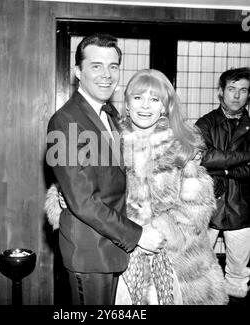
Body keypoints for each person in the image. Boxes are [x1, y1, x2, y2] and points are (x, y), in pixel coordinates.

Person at [47, 68, 229, 305]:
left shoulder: (182, 145)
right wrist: (61, 197)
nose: (145, 106)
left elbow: (197, 212)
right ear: (127, 104)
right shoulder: (110, 138)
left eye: (154, 100)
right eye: (138, 98)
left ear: (165, 107)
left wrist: (153, 233)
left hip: (178, 265)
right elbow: (81, 187)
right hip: (121, 254)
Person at [46, 34, 165, 305]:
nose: (106, 75)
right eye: (96, 66)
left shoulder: (110, 114)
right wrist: (138, 235)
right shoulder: (64, 121)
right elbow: (84, 201)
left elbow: (114, 177)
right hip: (89, 252)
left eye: (113, 66)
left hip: (110, 249)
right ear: (78, 71)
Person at [195, 67, 250, 299]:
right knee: (198, 269)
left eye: (243, 90)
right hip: (207, 204)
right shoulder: (205, 123)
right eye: (231, 89)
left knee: (238, 274)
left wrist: (222, 168)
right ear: (221, 92)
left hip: (242, 206)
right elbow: (203, 157)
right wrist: (243, 158)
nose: (237, 95)